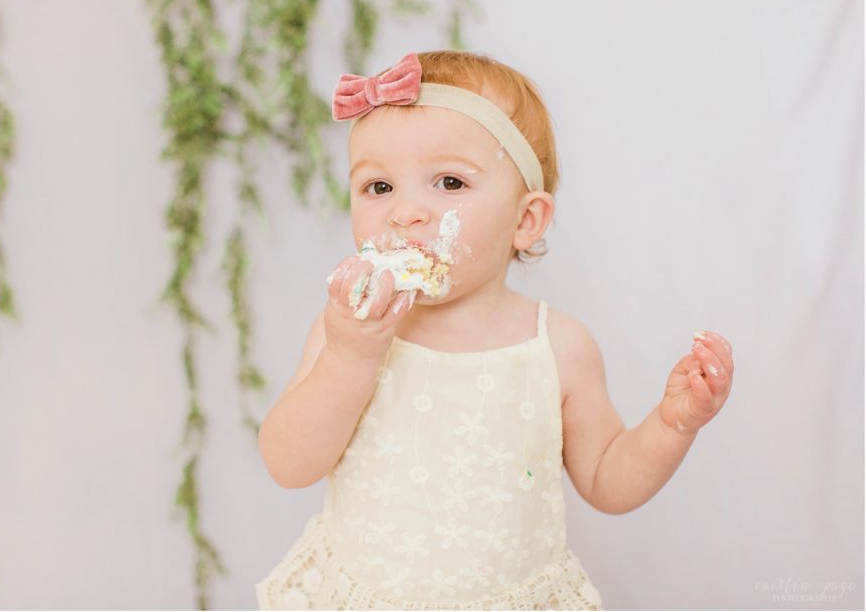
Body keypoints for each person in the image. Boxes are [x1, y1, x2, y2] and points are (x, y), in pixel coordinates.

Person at [255, 50, 735, 610]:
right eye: (379, 187)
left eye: (449, 182)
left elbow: (608, 480)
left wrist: (674, 424)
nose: (405, 212)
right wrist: (349, 358)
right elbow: (288, 465)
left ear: (525, 221)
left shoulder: (557, 346)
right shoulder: (350, 329)